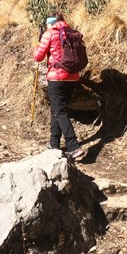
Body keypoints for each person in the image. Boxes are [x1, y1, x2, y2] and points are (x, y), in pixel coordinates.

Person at [33, 13, 86, 160]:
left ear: (50, 24)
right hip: (73, 77)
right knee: (58, 109)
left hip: (56, 77)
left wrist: (38, 44)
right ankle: (54, 143)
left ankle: (74, 146)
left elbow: (38, 56)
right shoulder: (73, 33)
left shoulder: (49, 34)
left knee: (60, 111)